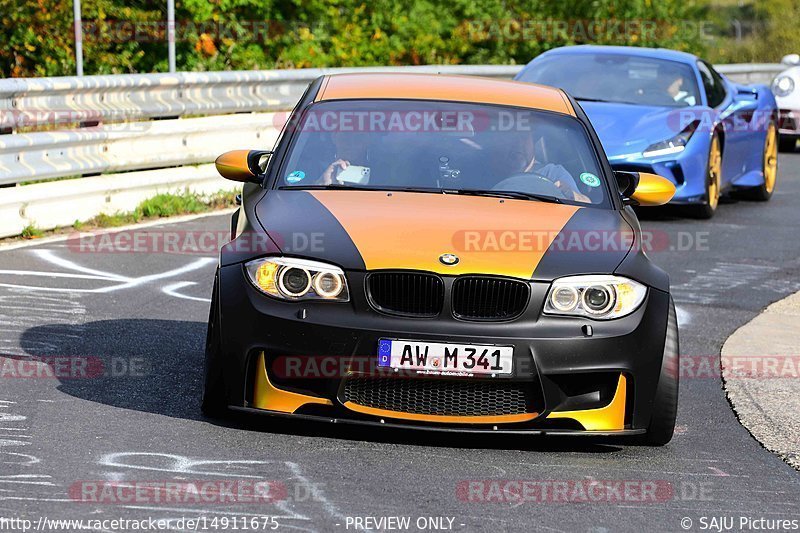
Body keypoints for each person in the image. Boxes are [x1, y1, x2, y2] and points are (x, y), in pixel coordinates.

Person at [491, 131, 592, 203]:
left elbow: (587, 205)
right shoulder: (482, 174)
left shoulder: (552, 173)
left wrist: (571, 194)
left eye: (524, 137)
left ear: (533, 143)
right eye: (511, 138)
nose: (518, 143)